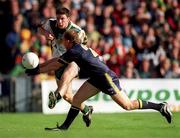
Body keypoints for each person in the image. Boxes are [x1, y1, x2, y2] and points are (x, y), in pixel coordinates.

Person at [38, 29, 171, 131]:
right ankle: (65, 127)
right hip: (96, 78)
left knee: (128, 105)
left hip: (106, 78)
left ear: (68, 41)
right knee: (77, 100)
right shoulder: (78, 48)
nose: (63, 44)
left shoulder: (74, 51)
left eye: (64, 42)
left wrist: (36, 70)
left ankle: (160, 107)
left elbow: (57, 63)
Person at [27, 6, 92, 127]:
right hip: (57, 62)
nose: (60, 21)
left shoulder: (76, 31)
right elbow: (39, 28)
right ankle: (86, 109)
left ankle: (56, 96)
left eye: (62, 19)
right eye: (58, 18)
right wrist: (45, 33)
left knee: (67, 75)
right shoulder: (51, 24)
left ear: (68, 18)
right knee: (68, 96)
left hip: (73, 61)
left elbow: (84, 46)